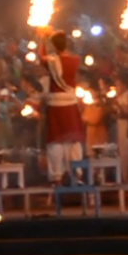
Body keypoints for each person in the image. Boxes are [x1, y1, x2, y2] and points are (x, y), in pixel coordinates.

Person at [40, 31, 86, 184]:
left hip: (56, 107)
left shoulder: (52, 61)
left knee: (56, 142)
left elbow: (41, 58)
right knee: (73, 141)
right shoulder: (76, 60)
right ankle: (77, 174)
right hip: (71, 105)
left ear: (54, 46)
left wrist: (42, 38)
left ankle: (57, 178)